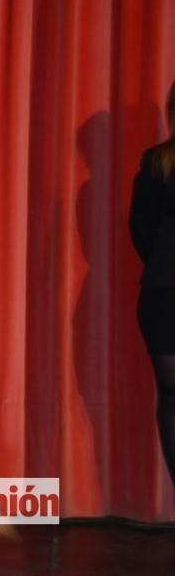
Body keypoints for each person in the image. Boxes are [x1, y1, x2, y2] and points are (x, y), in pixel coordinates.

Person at [130, 78, 175, 486]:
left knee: (172, 398)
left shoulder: (157, 161)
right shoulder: (158, 160)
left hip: (164, 289)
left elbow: (141, 231)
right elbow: (139, 230)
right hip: (164, 290)